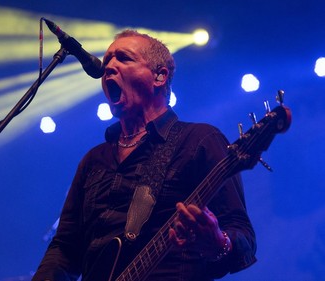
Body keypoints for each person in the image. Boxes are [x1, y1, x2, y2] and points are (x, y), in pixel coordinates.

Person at [32, 30, 256, 281]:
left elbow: (242, 235)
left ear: (160, 76)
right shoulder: (94, 160)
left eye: (123, 58)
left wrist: (218, 243)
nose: (109, 67)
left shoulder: (199, 141)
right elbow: (64, 248)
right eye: (107, 62)